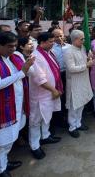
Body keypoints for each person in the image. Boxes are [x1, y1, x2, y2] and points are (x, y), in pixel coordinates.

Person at [0, 32, 35, 177]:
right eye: (9, 46)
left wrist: (28, 66)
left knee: (10, 138)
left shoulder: (14, 57)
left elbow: (28, 73)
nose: (13, 49)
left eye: (15, 46)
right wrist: (21, 72)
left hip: (17, 106)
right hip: (0, 111)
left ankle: (4, 163)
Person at [28, 32, 63, 160]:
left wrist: (55, 89)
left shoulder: (49, 53)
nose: (53, 43)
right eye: (50, 41)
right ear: (41, 43)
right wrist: (53, 90)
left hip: (50, 93)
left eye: (53, 41)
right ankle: (35, 146)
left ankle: (46, 136)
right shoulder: (35, 56)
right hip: (40, 95)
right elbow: (39, 79)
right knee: (36, 121)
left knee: (46, 117)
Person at [63, 30, 93, 138]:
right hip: (74, 82)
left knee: (81, 103)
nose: (84, 41)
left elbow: (84, 62)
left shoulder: (83, 48)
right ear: (75, 39)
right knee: (73, 105)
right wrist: (87, 65)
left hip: (83, 80)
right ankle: (72, 127)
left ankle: (78, 123)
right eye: (82, 39)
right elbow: (71, 69)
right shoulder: (68, 51)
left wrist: (88, 59)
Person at [51, 29, 70, 128]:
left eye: (61, 35)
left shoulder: (70, 47)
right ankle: (59, 119)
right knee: (60, 97)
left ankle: (67, 118)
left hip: (69, 74)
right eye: (56, 36)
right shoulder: (51, 48)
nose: (59, 38)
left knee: (68, 96)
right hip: (57, 76)